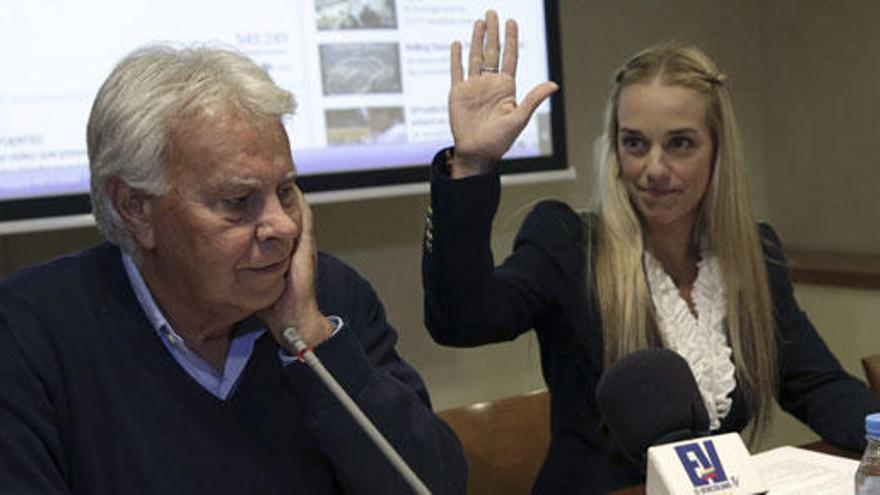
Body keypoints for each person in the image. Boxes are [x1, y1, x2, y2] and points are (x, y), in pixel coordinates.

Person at [422, 10, 880, 493]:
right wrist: (472, 165)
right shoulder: (569, 242)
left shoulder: (754, 254)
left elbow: (818, 385)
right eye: (634, 143)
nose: (654, 168)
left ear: (718, 151)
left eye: (680, 144)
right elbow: (461, 320)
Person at [0, 45, 466, 494]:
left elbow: (435, 486)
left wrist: (309, 337)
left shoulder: (330, 298)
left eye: (285, 191)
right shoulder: (28, 333)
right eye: (239, 202)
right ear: (135, 210)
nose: (282, 226)